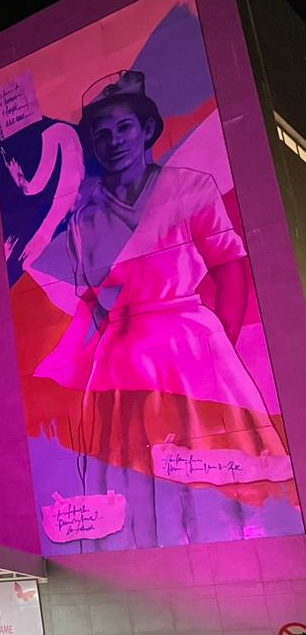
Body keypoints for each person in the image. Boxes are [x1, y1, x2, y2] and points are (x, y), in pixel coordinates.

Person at [36, 70, 299, 547]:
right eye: (102, 134)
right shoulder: (84, 217)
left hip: (192, 351)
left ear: (147, 129)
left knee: (214, 480)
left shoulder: (191, 188)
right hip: (120, 368)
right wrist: (70, 366)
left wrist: (217, 350)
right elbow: (94, 303)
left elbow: (230, 268)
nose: (114, 141)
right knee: (128, 477)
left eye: (124, 128)